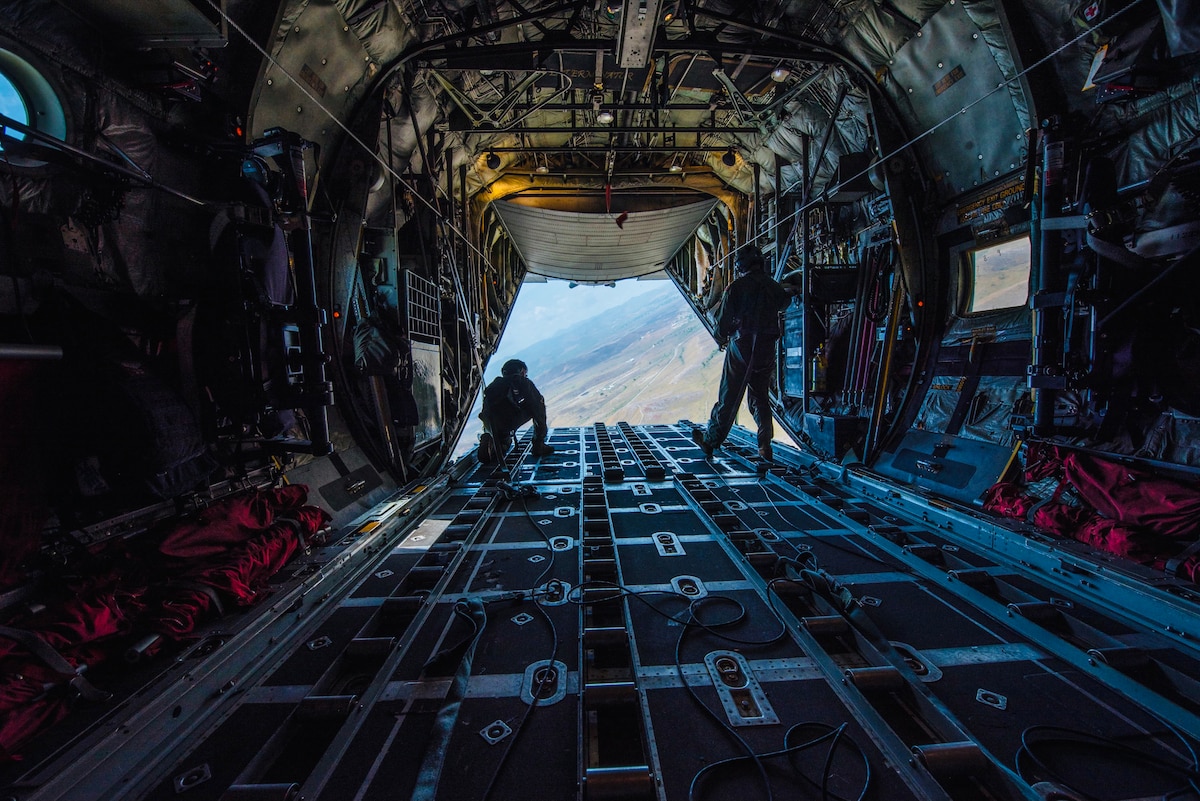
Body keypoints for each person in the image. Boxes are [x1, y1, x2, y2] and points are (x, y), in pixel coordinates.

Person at [694, 244, 792, 461]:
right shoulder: (773, 287)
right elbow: (785, 302)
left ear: (740, 266)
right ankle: (764, 445)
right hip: (766, 349)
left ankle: (710, 442)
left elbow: (722, 326)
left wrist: (722, 336)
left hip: (742, 347)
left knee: (729, 396)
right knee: (760, 398)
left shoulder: (735, 288)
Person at [478, 359, 555, 463]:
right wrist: (540, 433)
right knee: (537, 404)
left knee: (505, 444)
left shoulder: (494, 385)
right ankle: (539, 445)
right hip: (507, 422)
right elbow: (537, 407)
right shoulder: (522, 381)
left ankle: (490, 441)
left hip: (490, 425)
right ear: (522, 372)